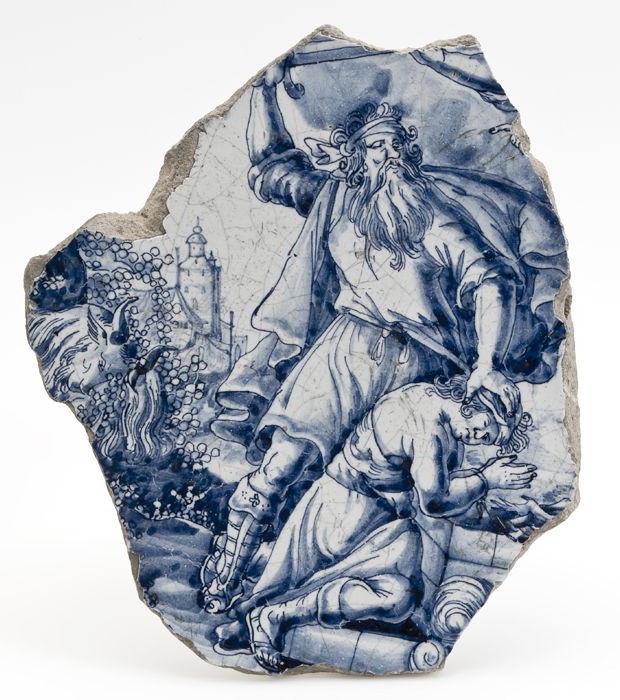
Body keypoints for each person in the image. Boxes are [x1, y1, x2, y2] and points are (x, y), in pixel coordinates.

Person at [204, 60, 566, 612]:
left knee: (388, 492)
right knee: (280, 467)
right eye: (377, 147)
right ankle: (227, 578)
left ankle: (331, 599)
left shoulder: (432, 214)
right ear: (356, 159)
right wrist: (267, 92)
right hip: (344, 353)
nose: (391, 155)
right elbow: (271, 168)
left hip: (420, 367)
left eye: (398, 145)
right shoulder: (335, 200)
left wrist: (488, 364)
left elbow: (491, 280)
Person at [239, 377, 534, 672]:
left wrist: (496, 518)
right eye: (485, 428)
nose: (477, 436)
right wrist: (486, 479)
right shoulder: (429, 425)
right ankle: (275, 614)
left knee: (398, 596)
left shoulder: (435, 406)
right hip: (346, 515)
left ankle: (275, 609)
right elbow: (434, 501)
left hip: (376, 521)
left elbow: (438, 495)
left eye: (485, 440)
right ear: (477, 404)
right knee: (395, 597)